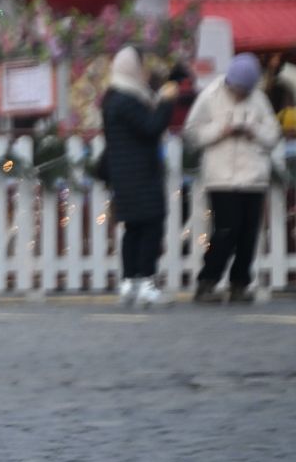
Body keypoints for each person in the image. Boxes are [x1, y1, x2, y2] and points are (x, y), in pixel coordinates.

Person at [184, 53, 281, 304]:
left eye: (244, 91)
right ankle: (207, 281)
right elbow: (192, 133)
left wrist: (254, 131)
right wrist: (221, 131)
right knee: (226, 231)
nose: (240, 95)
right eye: (237, 89)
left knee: (249, 234)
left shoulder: (259, 100)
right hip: (222, 177)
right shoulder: (210, 96)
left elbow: (272, 135)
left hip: (253, 176)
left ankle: (240, 283)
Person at [101, 46, 180, 308]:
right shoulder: (127, 99)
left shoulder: (114, 97)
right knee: (150, 226)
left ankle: (129, 283)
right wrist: (167, 102)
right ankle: (146, 282)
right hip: (140, 174)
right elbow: (151, 127)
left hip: (125, 175)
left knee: (133, 229)